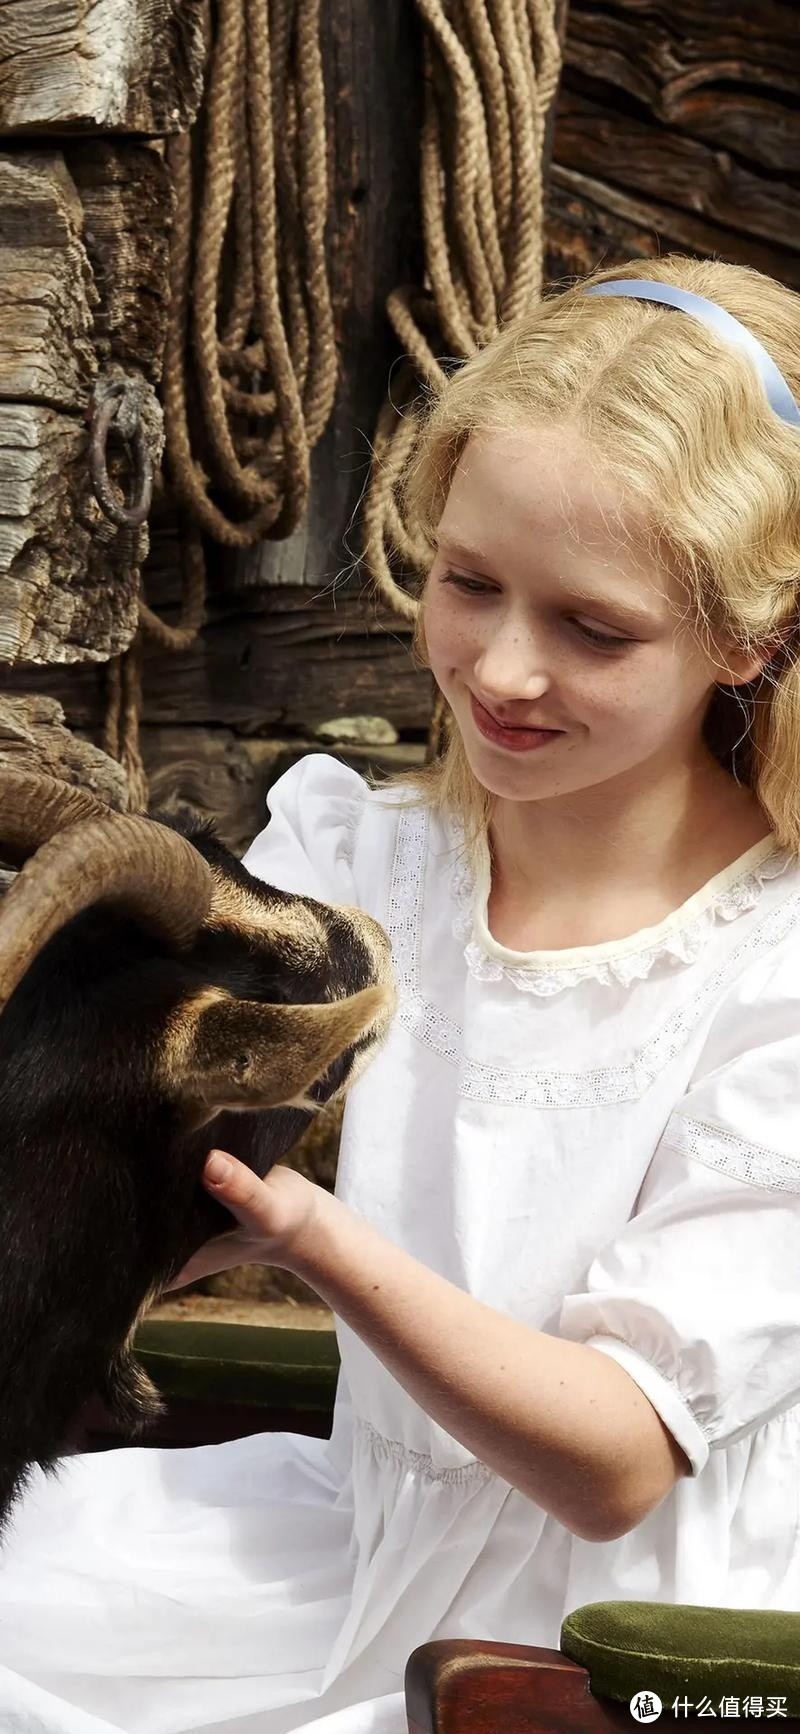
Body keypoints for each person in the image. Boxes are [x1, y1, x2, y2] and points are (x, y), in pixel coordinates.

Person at [1, 252, 800, 1733]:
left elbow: (614, 1458)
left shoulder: (775, 972)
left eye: (593, 627)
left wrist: (305, 1234)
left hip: (625, 1641)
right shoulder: (358, 859)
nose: (500, 666)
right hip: (360, 1543)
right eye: (470, 582)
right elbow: (148, 1209)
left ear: (750, 638)